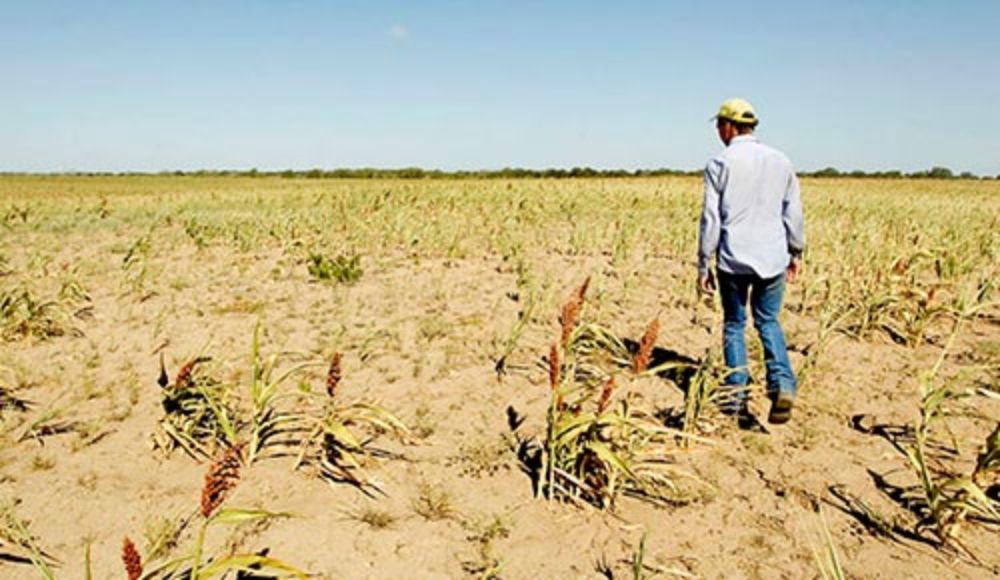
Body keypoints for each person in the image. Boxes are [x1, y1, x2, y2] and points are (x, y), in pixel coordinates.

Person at [697, 97, 805, 425]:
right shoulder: (781, 161)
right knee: (768, 321)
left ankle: (737, 393)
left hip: (733, 258)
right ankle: (782, 385)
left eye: (719, 125)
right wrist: (796, 250)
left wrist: (704, 261)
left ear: (729, 126)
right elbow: (793, 212)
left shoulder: (719, 163)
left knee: (734, 324)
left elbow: (711, 219)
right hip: (773, 256)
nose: (718, 130)